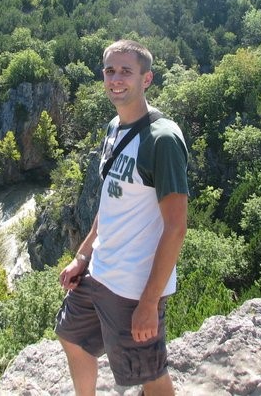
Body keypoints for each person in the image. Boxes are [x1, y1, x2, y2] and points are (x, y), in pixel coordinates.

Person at [56, 39, 189, 395]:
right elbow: (110, 204)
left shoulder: (162, 140)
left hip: (133, 286)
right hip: (100, 271)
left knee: (147, 371)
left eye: (126, 71)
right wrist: (83, 255)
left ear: (146, 79)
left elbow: (176, 228)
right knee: (71, 336)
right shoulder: (114, 128)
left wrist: (148, 302)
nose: (116, 79)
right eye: (110, 70)